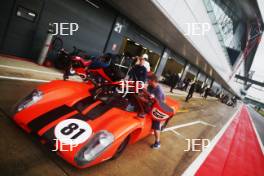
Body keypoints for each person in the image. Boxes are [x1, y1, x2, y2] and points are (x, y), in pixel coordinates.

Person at [147, 74, 165, 149]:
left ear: (153, 81)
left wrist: (149, 100)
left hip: (158, 107)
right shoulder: (150, 86)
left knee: (156, 124)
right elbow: (147, 95)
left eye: (149, 80)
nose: (148, 81)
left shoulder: (159, 90)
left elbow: (158, 103)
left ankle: (157, 142)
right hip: (152, 104)